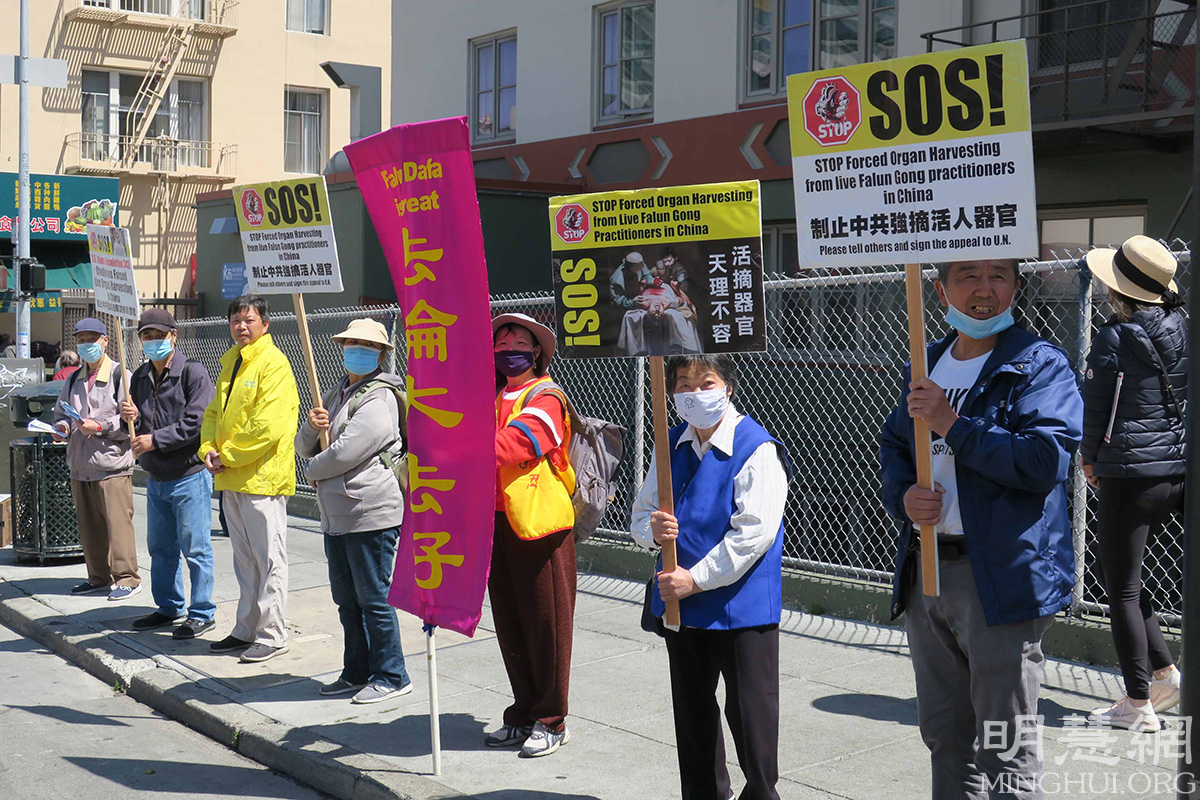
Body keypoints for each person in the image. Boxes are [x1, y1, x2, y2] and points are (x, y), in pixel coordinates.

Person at [879, 259, 1083, 798]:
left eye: (998, 276)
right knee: (946, 736)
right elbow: (895, 444)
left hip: (1001, 576)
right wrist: (904, 496)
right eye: (968, 276)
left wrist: (952, 425)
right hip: (927, 569)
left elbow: (1044, 460)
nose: (984, 289)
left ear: (1016, 286)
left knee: (1005, 748)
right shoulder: (927, 360)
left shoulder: (1039, 363)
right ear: (941, 289)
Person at [631, 354, 789, 800]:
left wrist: (694, 580)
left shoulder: (756, 447)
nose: (695, 393)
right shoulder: (670, 444)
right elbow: (640, 516)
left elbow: (752, 534)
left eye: (706, 383)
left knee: (752, 719)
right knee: (693, 716)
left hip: (742, 607)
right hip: (681, 605)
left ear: (728, 387)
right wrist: (652, 532)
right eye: (684, 384)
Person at [1080, 236, 1187, 733]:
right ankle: (1164, 674)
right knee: (1122, 576)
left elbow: (1096, 406)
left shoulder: (1114, 337)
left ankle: (1138, 704)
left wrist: (1089, 458)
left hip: (1129, 471)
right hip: (1177, 469)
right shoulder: (1182, 326)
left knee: (1120, 587)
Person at [296, 318, 412, 705]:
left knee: (374, 599)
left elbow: (347, 452)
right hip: (337, 515)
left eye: (368, 346)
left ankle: (392, 674)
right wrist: (311, 428)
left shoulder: (381, 397)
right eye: (351, 343)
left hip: (370, 513)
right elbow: (304, 445)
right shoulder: (335, 393)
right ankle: (357, 670)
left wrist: (312, 470)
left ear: (381, 354)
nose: (358, 350)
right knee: (347, 601)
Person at [486, 312, 577, 758]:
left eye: (518, 343)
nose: (509, 350)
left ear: (537, 351)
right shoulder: (490, 395)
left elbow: (517, 444)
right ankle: (523, 712)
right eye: (501, 344)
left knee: (546, 625)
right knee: (510, 623)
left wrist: (457, 445)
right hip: (496, 521)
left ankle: (552, 719)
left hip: (541, 527)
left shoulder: (547, 396)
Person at [199, 295, 299, 663]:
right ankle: (246, 628)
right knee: (244, 560)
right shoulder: (232, 363)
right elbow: (213, 414)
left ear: (265, 324)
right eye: (235, 321)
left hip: (262, 479)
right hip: (231, 478)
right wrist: (207, 449)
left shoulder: (274, 363)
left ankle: (272, 634)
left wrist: (225, 455)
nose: (241, 327)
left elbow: (267, 426)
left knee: (269, 559)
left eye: (249, 320)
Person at [120, 309, 218, 639]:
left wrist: (154, 440)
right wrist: (128, 417)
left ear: (173, 336)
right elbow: (133, 425)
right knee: (160, 549)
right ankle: (169, 606)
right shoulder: (138, 377)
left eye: (158, 335)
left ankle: (202, 612)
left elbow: (196, 423)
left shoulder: (193, 373)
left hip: (189, 475)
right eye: (146, 336)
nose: (152, 341)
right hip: (156, 478)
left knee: (196, 549)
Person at [51, 317, 140, 601]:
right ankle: (98, 576)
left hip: (111, 465)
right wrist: (61, 427)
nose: (87, 345)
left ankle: (127, 578)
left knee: (118, 526)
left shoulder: (120, 374)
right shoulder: (73, 379)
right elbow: (61, 413)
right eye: (82, 340)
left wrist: (99, 426)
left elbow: (129, 421)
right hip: (80, 465)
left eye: (92, 339)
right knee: (90, 528)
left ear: (105, 341)